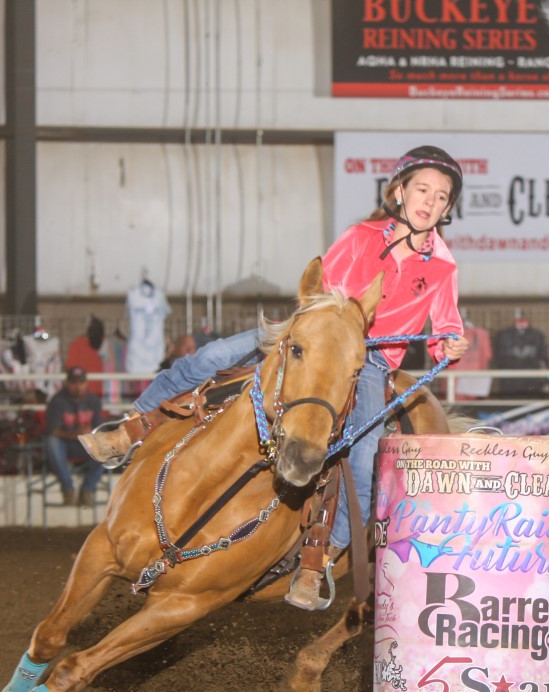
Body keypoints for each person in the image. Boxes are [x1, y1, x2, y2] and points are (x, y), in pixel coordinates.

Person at [81, 144, 471, 608]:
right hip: (316, 336)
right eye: (422, 189)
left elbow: (444, 330)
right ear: (400, 191)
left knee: (363, 458)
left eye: (441, 196)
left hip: (368, 362)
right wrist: (321, 334)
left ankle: (320, 557)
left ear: (448, 208)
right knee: (212, 357)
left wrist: (450, 343)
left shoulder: (444, 268)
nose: (429, 201)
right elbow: (321, 295)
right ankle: (134, 427)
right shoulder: (361, 237)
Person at [44, 366, 106, 507]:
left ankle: (87, 490)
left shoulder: (94, 401)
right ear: (67, 383)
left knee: (104, 446)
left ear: (86, 383)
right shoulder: (57, 401)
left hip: (86, 445)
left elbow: (101, 429)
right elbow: (52, 430)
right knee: (52, 442)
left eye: (81, 382)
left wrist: (91, 432)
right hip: (65, 446)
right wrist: (73, 435)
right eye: (74, 383)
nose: (78, 387)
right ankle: (68, 489)